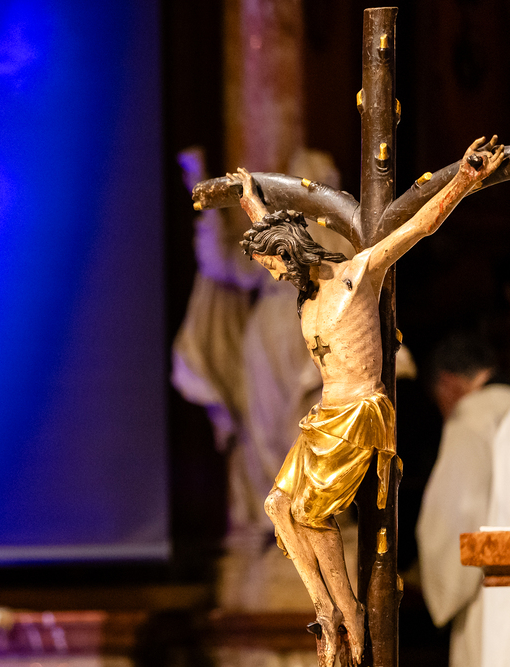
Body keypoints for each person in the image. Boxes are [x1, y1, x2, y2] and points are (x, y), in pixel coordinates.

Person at [228, 136, 505, 667]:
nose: (273, 275)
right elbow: (271, 232)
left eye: (274, 265)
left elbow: (417, 227)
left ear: (291, 252)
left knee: (310, 513)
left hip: (358, 411)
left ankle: (349, 611)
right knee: (277, 506)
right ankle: (325, 609)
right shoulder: (305, 297)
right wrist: (251, 201)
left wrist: (465, 181)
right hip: (324, 417)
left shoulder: (357, 276)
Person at [417, 333, 510, 667]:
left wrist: (443, 580)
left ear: (447, 384)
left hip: (498, 593)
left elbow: (455, 525)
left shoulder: (473, 418)